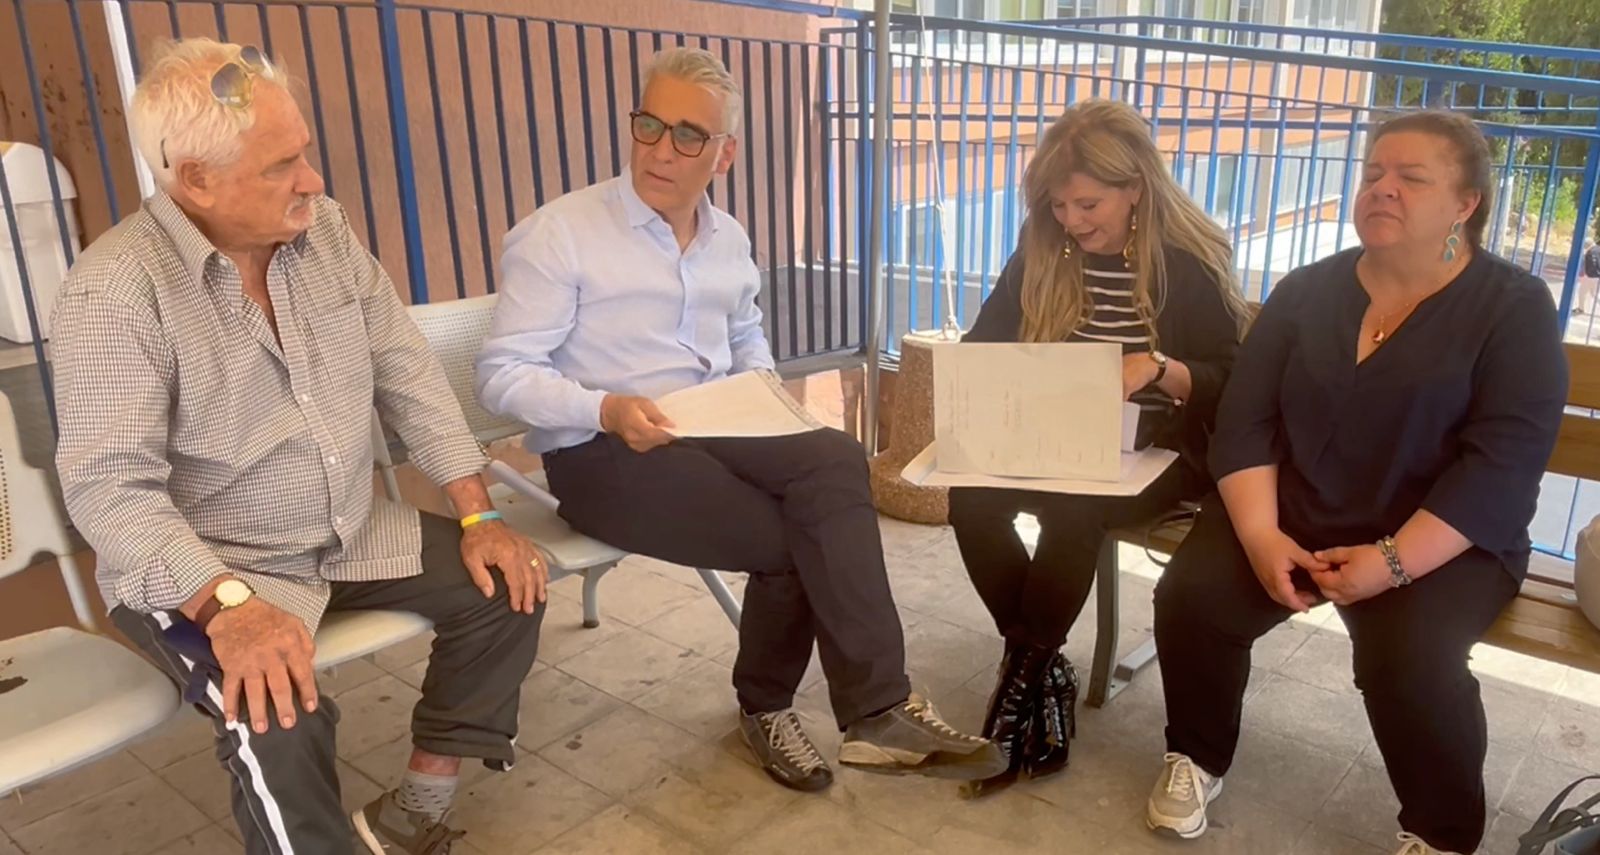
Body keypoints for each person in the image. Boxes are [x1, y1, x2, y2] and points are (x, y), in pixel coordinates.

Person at [51, 39, 549, 855]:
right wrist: (230, 609)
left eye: (305, 153)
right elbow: (111, 490)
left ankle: (415, 808)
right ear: (196, 179)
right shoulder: (117, 290)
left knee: (508, 584)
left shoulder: (326, 233)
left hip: (345, 532)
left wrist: (478, 514)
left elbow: (405, 368)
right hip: (206, 566)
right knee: (279, 711)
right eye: (281, 165)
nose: (312, 181)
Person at [476, 47, 1005, 793]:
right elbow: (501, 375)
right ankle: (771, 707)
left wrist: (762, 391)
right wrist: (605, 407)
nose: (661, 150)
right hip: (600, 450)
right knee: (798, 538)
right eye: (649, 124)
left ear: (724, 154)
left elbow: (745, 332)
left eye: (688, 135)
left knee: (836, 457)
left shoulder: (727, 237)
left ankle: (878, 711)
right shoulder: (562, 232)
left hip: (714, 424)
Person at [1145, 110, 1567, 855]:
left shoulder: (1513, 309)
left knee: (1409, 659)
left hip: (1443, 537)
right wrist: (1260, 534)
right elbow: (1246, 419)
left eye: (1412, 177)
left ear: (1466, 203)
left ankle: (1440, 833)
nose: (1383, 188)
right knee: (1194, 595)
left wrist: (1391, 562)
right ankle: (1196, 755)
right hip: (1296, 513)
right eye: (1373, 173)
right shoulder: (1307, 291)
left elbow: (1501, 468)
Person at [947, 99, 1249, 796]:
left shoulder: (1184, 264)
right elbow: (984, 342)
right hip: (1052, 431)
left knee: (1074, 508)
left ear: (1134, 188)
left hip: (1156, 445)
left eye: (1088, 204)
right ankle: (1042, 671)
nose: (1073, 222)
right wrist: (984, 388)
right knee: (970, 499)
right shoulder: (1042, 249)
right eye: (1059, 206)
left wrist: (1157, 368)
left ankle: (1013, 705)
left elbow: (1229, 378)